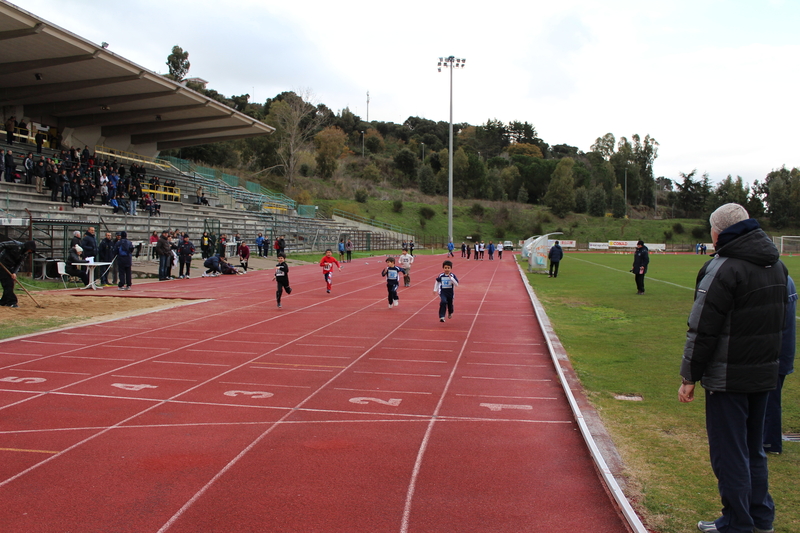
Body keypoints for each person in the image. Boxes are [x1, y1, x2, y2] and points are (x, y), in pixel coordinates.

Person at [679, 203, 787, 533]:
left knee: (730, 453)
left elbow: (702, 328)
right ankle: (759, 517)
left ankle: (738, 522)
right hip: (763, 374)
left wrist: (689, 376)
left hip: (729, 378)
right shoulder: (776, 265)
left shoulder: (723, 268)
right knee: (754, 449)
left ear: (718, 231)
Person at [763, 275, 797, 455]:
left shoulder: (776, 280)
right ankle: (767, 441)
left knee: (769, 400)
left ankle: (770, 443)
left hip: (774, 353)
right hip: (780, 351)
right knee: (769, 398)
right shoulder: (784, 277)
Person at [0, 240, 36, 307]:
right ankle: (11, 302)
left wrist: (14, 272)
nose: (30, 252)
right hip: (2, 264)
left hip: (10, 267)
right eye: (30, 250)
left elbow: (19, 263)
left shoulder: (24, 253)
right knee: (8, 284)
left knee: (9, 284)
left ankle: (3, 301)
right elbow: (2, 244)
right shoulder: (15, 244)